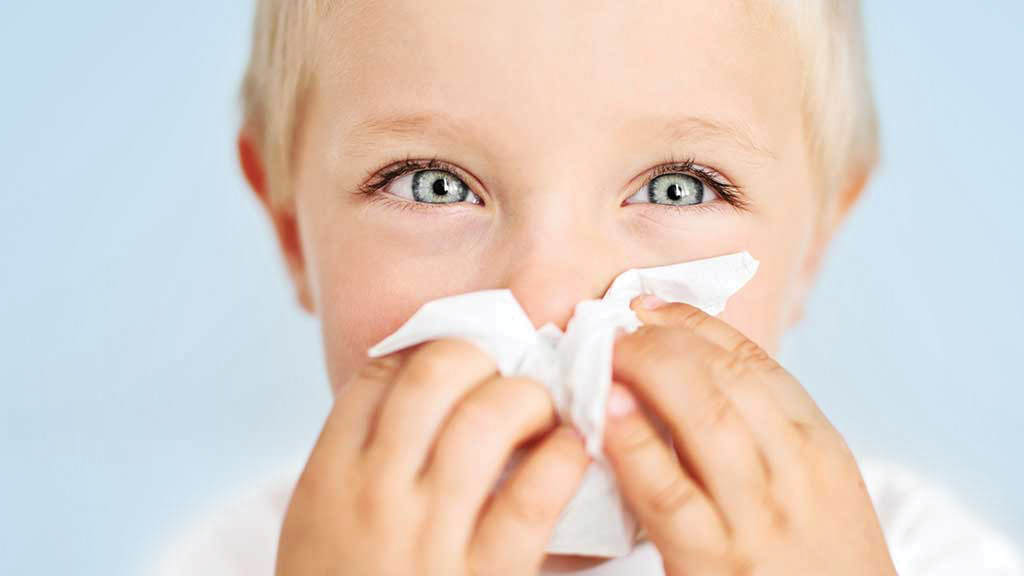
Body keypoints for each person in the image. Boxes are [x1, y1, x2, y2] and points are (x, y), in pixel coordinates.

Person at [154, 0, 1023, 574]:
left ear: (813, 249)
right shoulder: (241, 557)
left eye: (678, 187)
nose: (551, 301)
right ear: (291, 230)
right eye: (432, 183)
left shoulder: (917, 555)